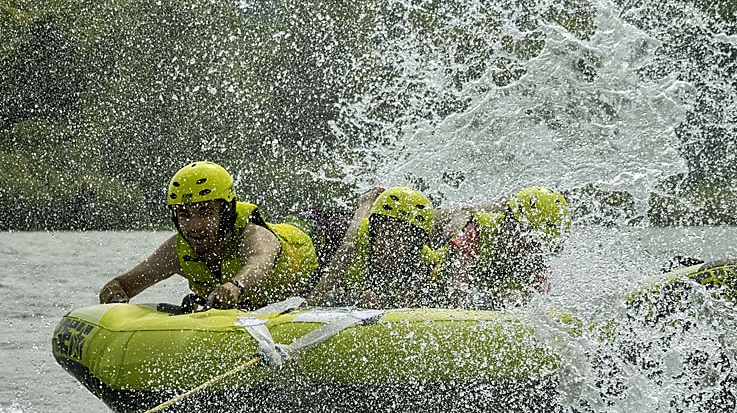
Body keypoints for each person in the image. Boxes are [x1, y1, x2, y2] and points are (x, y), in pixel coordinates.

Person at [98, 161, 319, 310]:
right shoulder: (177, 251)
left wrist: (234, 287)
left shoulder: (254, 235)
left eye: (205, 212)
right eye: (184, 215)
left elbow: (259, 264)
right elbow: (121, 285)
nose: (194, 225)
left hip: (319, 237)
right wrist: (114, 296)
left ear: (226, 212)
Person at [426, 186, 572, 309]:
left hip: (482, 294)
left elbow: (541, 303)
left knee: (516, 297)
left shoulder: (535, 260)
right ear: (510, 221)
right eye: (528, 237)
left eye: (537, 243)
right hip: (434, 283)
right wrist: (488, 306)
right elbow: (456, 286)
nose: (529, 247)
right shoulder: (477, 231)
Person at [305, 186, 438, 309]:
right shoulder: (357, 241)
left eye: (404, 238)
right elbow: (317, 294)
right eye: (388, 232)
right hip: (350, 291)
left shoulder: (423, 261)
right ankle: (366, 202)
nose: (391, 244)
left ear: (415, 245)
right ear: (374, 231)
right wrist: (308, 305)